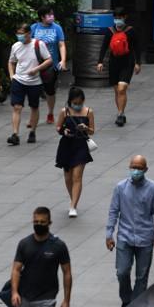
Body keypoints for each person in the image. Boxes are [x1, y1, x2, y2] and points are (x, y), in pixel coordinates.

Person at [105, 156, 154, 307]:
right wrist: (109, 233)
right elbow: (113, 211)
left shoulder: (153, 188)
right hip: (125, 237)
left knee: (142, 276)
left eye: (139, 168)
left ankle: (136, 305)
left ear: (145, 170)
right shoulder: (120, 188)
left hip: (145, 238)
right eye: (133, 167)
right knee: (122, 272)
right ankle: (126, 299)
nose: (136, 171)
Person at [8, 24, 52, 146]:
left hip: (34, 81)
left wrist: (36, 69)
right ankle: (15, 134)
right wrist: (12, 76)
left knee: (34, 106)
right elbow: (11, 62)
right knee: (17, 107)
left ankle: (32, 131)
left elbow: (49, 60)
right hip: (18, 80)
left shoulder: (38, 44)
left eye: (22, 33)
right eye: (18, 33)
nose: (20, 36)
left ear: (29, 33)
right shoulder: (15, 46)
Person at [96, 9, 141, 128]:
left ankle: (120, 114)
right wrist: (100, 62)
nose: (118, 19)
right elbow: (104, 46)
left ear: (125, 17)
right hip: (114, 63)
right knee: (117, 90)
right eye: (115, 16)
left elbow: (137, 47)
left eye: (120, 16)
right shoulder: (110, 31)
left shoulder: (131, 31)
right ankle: (121, 112)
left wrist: (138, 63)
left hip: (128, 62)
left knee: (122, 88)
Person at [55, 87, 95, 218]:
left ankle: (73, 206)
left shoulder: (89, 112)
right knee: (68, 177)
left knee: (77, 176)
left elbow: (92, 131)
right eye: (75, 102)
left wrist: (86, 128)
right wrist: (63, 131)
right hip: (67, 145)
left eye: (79, 102)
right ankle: (73, 198)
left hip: (80, 145)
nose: (77, 105)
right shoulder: (64, 112)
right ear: (70, 101)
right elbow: (58, 127)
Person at [31, 7, 68, 126]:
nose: (51, 17)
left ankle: (50, 112)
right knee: (33, 89)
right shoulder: (34, 28)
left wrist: (63, 60)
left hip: (51, 64)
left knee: (50, 91)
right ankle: (33, 117)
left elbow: (61, 45)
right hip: (35, 63)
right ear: (42, 17)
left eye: (52, 14)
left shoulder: (57, 28)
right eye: (48, 15)